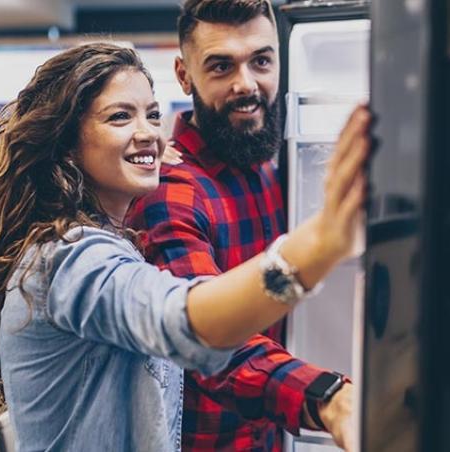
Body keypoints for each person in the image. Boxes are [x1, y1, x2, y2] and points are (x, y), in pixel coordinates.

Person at [0, 42, 368, 451]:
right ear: (66, 144)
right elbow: (183, 320)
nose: (148, 132)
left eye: (152, 115)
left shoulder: (112, 242)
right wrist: (319, 245)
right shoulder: (68, 257)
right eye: (119, 117)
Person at [126, 1, 369, 451]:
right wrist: (328, 398)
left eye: (261, 61)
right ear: (184, 76)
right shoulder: (172, 195)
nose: (246, 85)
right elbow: (206, 341)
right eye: (221, 66)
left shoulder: (266, 164)